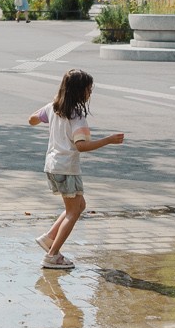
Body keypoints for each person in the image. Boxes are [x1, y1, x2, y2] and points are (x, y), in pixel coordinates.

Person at [27, 68, 125, 271]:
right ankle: (52, 255)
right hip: (67, 168)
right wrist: (108, 140)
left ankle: (49, 238)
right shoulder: (77, 116)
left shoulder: (53, 108)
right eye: (89, 89)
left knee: (79, 205)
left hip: (52, 166)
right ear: (80, 92)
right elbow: (81, 145)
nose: (90, 93)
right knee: (73, 212)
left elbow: (32, 119)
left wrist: (44, 115)